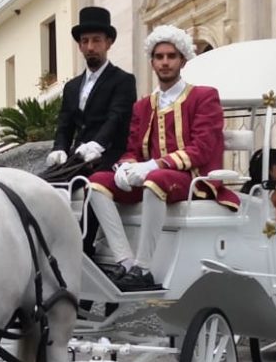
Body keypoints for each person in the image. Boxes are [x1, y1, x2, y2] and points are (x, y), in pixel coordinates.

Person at [84, 24, 233, 292]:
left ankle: (144, 268)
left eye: (171, 56)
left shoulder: (203, 96)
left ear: (183, 60)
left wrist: (153, 165)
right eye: (159, 57)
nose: (165, 62)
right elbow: (131, 148)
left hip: (193, 179)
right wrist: (125, 167)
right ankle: (125, 261)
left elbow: (202, 148)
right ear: (152, 62)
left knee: (154, 180)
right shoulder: (143, 105)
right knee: (96, 182)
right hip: (154, 177)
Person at [49, 6, 138, 173]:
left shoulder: (123, 80)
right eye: (85, 41)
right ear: (79, 46)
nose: (90, 47)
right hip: (77, 158)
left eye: (96, 40)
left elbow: (116, 118)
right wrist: (59, 148)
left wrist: (96, 145)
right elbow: (65, 125)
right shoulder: (72, 87)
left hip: (110, 155)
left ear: (108, 43)